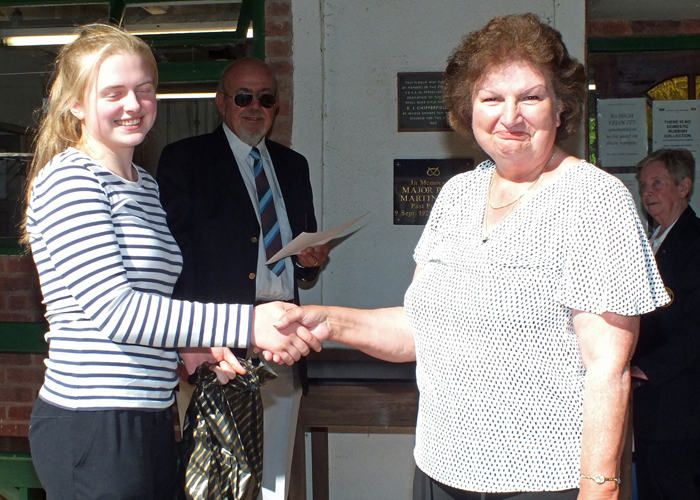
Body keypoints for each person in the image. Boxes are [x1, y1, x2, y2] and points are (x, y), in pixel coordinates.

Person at [274, 13, 669, 500]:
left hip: (546, 483)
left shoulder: (594, 200)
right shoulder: (457, 195)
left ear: (560, 106)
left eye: (530, 96)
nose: (511, 116)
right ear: (469, 109)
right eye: (491, 98)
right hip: (442, 470)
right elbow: (422, 328)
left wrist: (600, 491)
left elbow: (607, 370)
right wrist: (327, 320)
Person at [21, 24, 318, 500]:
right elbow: (118, 311)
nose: (133, 105)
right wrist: (244, 325)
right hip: (94, 423)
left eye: (144, 90)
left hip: (152, 414)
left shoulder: (143, 184)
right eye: (112, 93)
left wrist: (190, 349)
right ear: (76, 104)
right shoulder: (71, 182)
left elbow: (154, 299)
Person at [156, 58, 329, 500]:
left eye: (266, 99)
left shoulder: (294, 166)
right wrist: (191, 342)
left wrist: (310, 261)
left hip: (283, 338)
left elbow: (300, 262)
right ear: (221, 102)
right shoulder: (186, 160)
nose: (255, 107)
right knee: (213, 478)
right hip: (215, 345)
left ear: (277, 107)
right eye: (243, 97)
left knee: (273, 477)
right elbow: (172, 258)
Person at [631, 148, 700, 500]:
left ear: (684, 186)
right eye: (643, 185)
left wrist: (645, 369)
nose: (647, 192)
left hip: (679, 409)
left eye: (657, 183)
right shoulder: (652, 240)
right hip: (650, 410)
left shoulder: (694, 242)